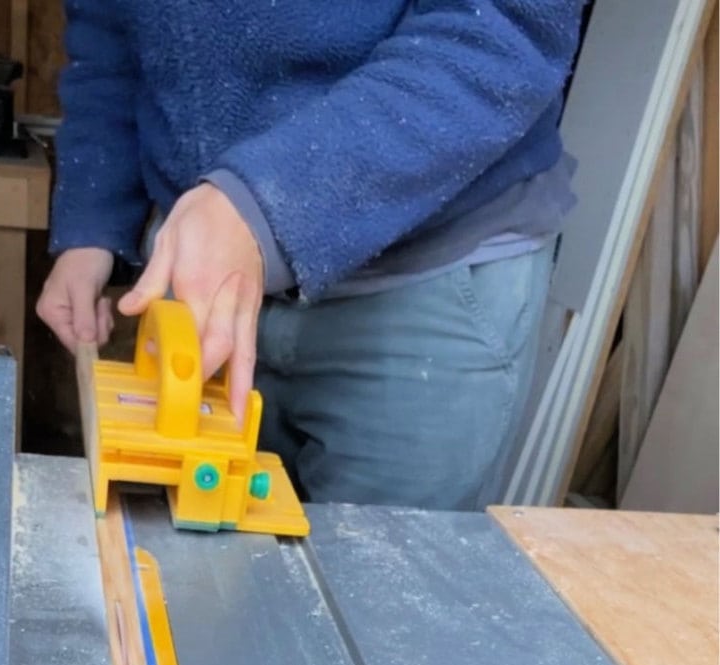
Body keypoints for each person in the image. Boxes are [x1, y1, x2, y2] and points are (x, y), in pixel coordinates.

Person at [37, 2, 585, 509]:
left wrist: (263, 205)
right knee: (196, 584)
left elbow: (498, 28)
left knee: (373, 596)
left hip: (425, 273)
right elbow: (108, 34)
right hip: (207, 270)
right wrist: (93, 219)